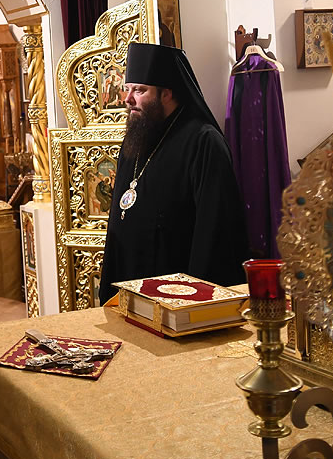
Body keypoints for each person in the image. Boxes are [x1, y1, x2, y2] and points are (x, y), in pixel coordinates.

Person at [98, 42, 248, 302]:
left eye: (139, 90)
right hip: (129, 288)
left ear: (167, 93)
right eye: (127, 89)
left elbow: (214, 232)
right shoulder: (136, 138)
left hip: (177, 296)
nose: (128, 99)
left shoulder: (203, 142)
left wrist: (195, 303)